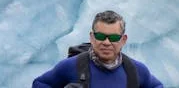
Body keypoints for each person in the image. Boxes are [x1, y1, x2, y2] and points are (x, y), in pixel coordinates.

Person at [32, 10, 163, 88]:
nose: (106, 42)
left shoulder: (136, 70)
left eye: (113, 37)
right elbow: (40, 84)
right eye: (100, 36)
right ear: (92, 37)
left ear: (123, 40)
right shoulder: (71, 66)